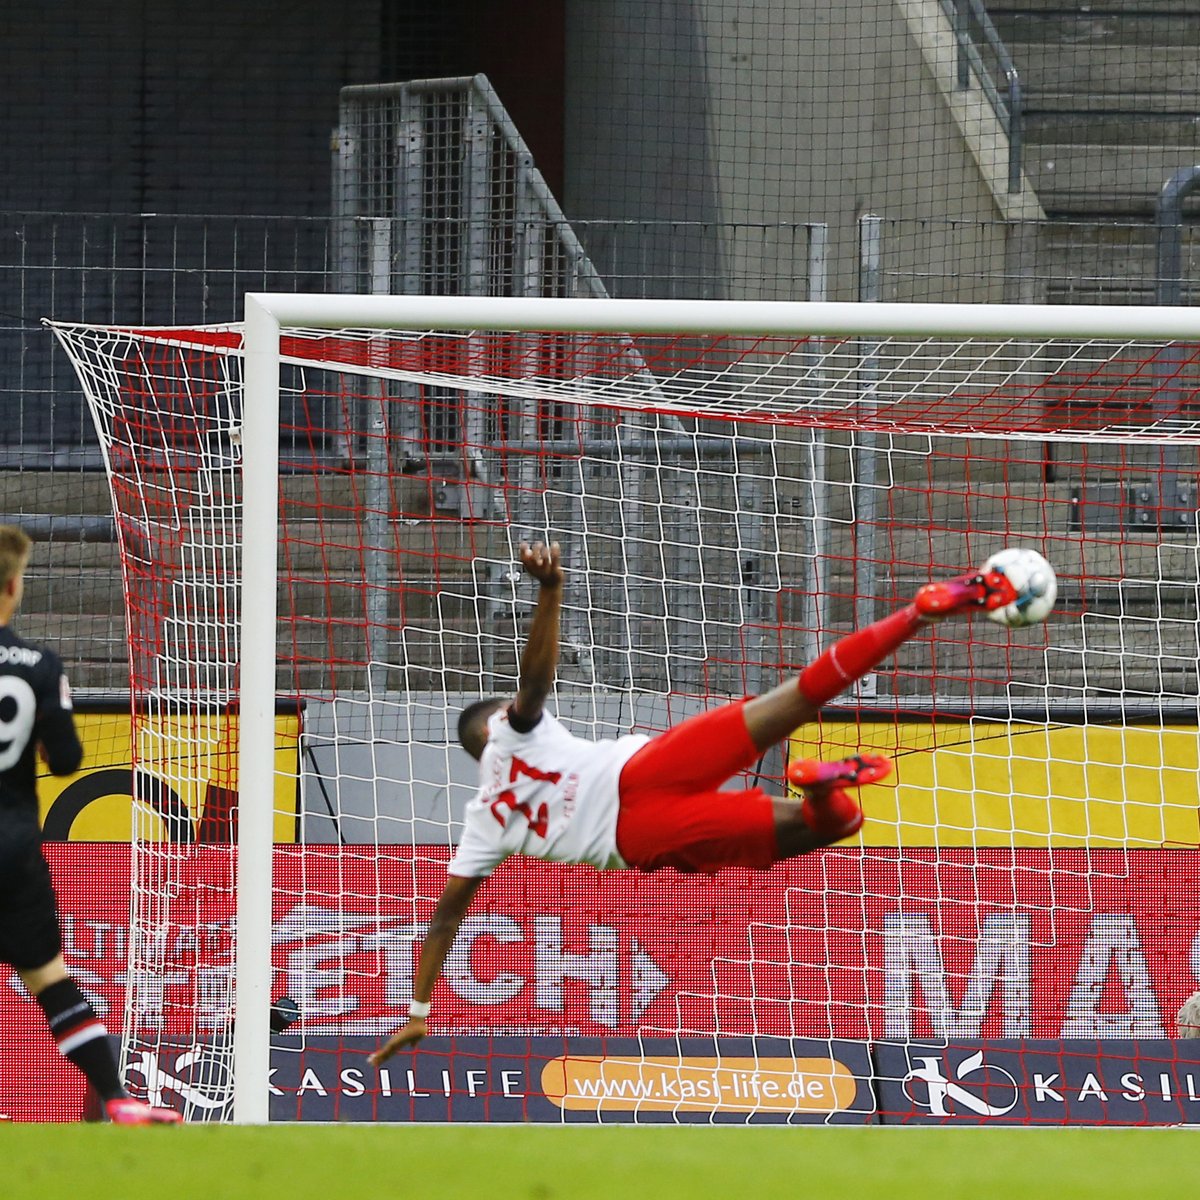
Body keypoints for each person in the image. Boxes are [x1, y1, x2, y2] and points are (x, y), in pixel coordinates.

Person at [369, 540, 1021, 1065]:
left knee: (838, 823)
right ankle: (918, 614)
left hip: (644, 831)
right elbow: (534, 683)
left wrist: (420, 1011)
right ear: (499, 725)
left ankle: (820, 783)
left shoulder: (484, 818)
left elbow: (445, 919)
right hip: (647, 764)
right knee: (795, 698)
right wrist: (550, 588)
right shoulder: (519, 729)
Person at [0, 525, 181, 1124]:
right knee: (50, 979)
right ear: (12, 589)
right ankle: (120, 1099)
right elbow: (71, 760)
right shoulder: (40, 665)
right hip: (15, 844)